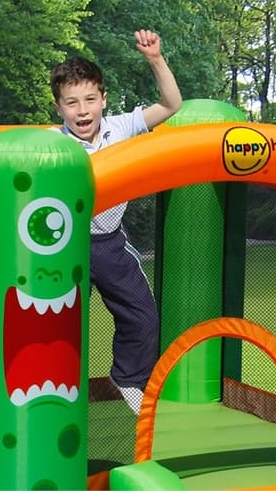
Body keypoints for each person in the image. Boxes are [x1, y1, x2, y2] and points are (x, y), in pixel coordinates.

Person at [50, 29, 182, 414]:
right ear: (59, 108)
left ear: (103, 100)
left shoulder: (121, 127)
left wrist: (155, 59)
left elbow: (171, 104)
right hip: (66, 248)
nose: (82, 110)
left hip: (108, 243)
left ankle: (129, 377)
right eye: (71, 103)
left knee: (143, 318)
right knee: (55, 325)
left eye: (90, 99)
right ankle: (50, 397)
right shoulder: (53, 144)